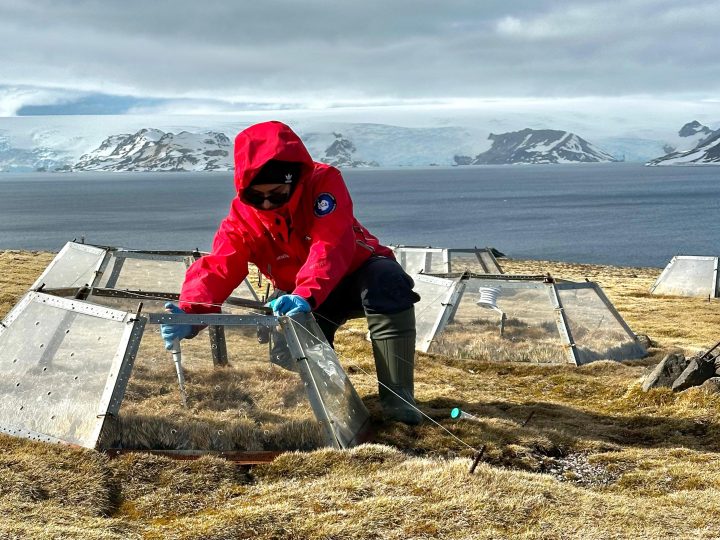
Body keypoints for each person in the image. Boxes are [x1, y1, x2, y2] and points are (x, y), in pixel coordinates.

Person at [160, 120, 422, 425]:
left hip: (355, 274)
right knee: (285, 354)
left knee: (388, 283)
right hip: (300, 293)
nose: (267, 203)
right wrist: (191, 313)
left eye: (277, 193)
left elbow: (331, 244)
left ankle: (398, 401)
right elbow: (220, 265)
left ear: (293, 180)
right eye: (257, 196)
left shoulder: (323, 183)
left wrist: (305, 294)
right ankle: (339, 402)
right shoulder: (241, 218)